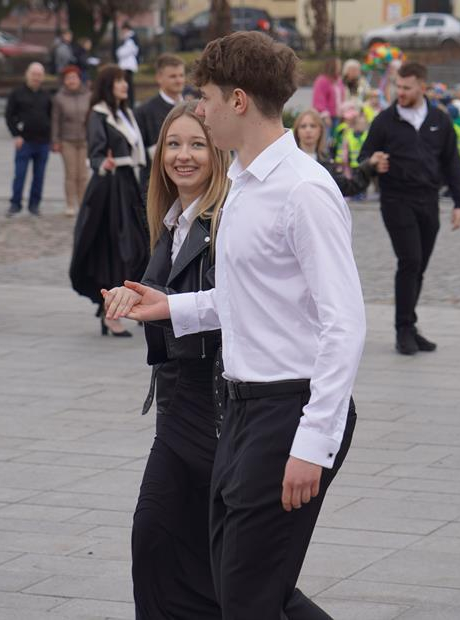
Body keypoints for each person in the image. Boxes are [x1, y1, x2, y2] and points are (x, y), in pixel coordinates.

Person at [117, 32, 364, 619]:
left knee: (248, 597)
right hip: (240, 410)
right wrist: (170, 308)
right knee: (236, 591)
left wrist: (313, 442)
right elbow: (242, 299)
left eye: (204, 97)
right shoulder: (245, 185)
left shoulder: (304, 190)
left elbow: (345, 323)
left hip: (288, 411)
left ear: (237, 100)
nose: (198, 110)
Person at [103, 101, 229, 620]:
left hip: (217, 406)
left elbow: (235, 308)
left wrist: (164, 306)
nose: (183, 155)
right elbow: (161, 297)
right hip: (175, 404)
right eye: (173, 144)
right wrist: (131, 297)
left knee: (232, 565)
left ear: (217, 152)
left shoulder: (225, 221)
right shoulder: (172, 220)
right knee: (153, 538)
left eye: (197, 144)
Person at [359, 61, 460, 355]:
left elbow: (452, 162)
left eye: (407, 87)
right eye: (398, 86)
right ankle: (403, 330)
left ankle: (411, 324)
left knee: (420, 266)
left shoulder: (439, 120)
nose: (401, 92)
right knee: (410, 260)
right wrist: (372, 162)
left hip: (428, 200)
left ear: (422, 86)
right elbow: (364, 155)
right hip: (396, 199)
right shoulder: (385, 120)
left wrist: (459, 203)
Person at [69, 64, 148, 338]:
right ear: (107, 85)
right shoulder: (98, 114)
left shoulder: (125, 113)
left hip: (128, 184)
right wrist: (104, 162)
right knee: (114, 250)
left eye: (124, 80)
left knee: (138, 246)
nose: (124, 85)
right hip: (109, 189)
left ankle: (131, 301)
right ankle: (109, 312)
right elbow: (96, 154)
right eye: (118, 81)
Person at [293, 107, 388, 196]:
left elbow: (348, 187)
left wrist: (369, 165)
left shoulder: (327, 161)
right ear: (297, 131)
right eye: (303, 126)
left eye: (313, 126)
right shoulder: (291, 160)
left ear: (320, 130)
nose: (308, 130)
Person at [6, 62, 52, 216]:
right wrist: (16, 135)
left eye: (39, 75)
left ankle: (34, 204)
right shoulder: (17, 93)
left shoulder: (46, 95)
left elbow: (51, 116)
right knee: (20, 174)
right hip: (24, 141)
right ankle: (15, 203)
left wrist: (52, 138)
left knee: (39, 176)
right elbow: (9, 115)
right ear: (27, 74)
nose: (36, 78)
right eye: (33, 74)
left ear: (43, 77)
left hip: (43, 142)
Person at [51, 65, 90, 218]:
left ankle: (83, 204)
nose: (72, 81)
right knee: (71, 174)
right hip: (67, 141)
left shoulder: (88, 95)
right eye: (68, 78)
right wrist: (55, 140)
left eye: (74, 77)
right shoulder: (59, 98)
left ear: (79, 79)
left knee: (83, 175)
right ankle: (70, 204)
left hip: (85, 140)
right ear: (64, 81)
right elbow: (55, 120)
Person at [135, 54, 186, 161]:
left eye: (181, 75)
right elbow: (138, 152)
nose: (179, 81)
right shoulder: (144, 112)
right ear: (159, 78)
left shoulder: (196, 108)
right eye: (173, 76)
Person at [312, 58, 343, 130]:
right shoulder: (322, 80)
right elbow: (319, 99)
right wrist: (325, 115)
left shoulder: (339, 80)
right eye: (338, 65)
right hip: (326, 117)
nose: (340, 67)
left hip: (337, 116)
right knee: (326, 136)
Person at [116, 22, 139, 109]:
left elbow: (125, 52)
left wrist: (119, 52)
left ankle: (129, 103)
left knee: (128, 85)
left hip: (127, 66)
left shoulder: (130, 39)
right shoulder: (129, 38)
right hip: (127, 65)